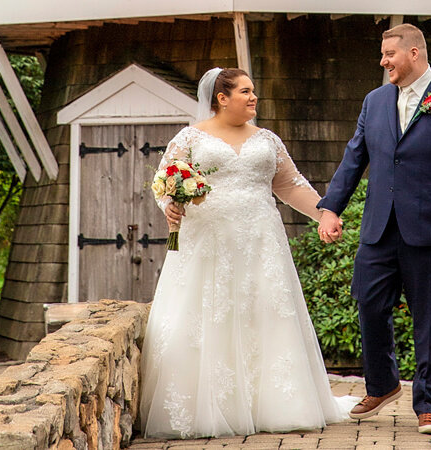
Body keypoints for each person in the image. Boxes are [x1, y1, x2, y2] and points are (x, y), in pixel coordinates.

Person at [140, 68, 353, 439]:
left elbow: (290, 185)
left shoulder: (267, 140)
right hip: (207, 241)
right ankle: (210, 407)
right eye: (245, 91)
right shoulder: (191, 137)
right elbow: (166, 180)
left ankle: (272, 404)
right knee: (208, 314)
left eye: (253, 91)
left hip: (260, 240)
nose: (254, 97)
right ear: (222, 98)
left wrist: (325, 213)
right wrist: (169, 205)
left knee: (264, 313)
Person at [317, 23, 431, 435]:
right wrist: (330, 209)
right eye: (382, 56)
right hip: (379, 227)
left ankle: (429, 406)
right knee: (368, 304)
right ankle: (382, 386)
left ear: (414, 53)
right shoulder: (374, 101)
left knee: (430, 320)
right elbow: (353, 159)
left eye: (389, 55)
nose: (383, 63)